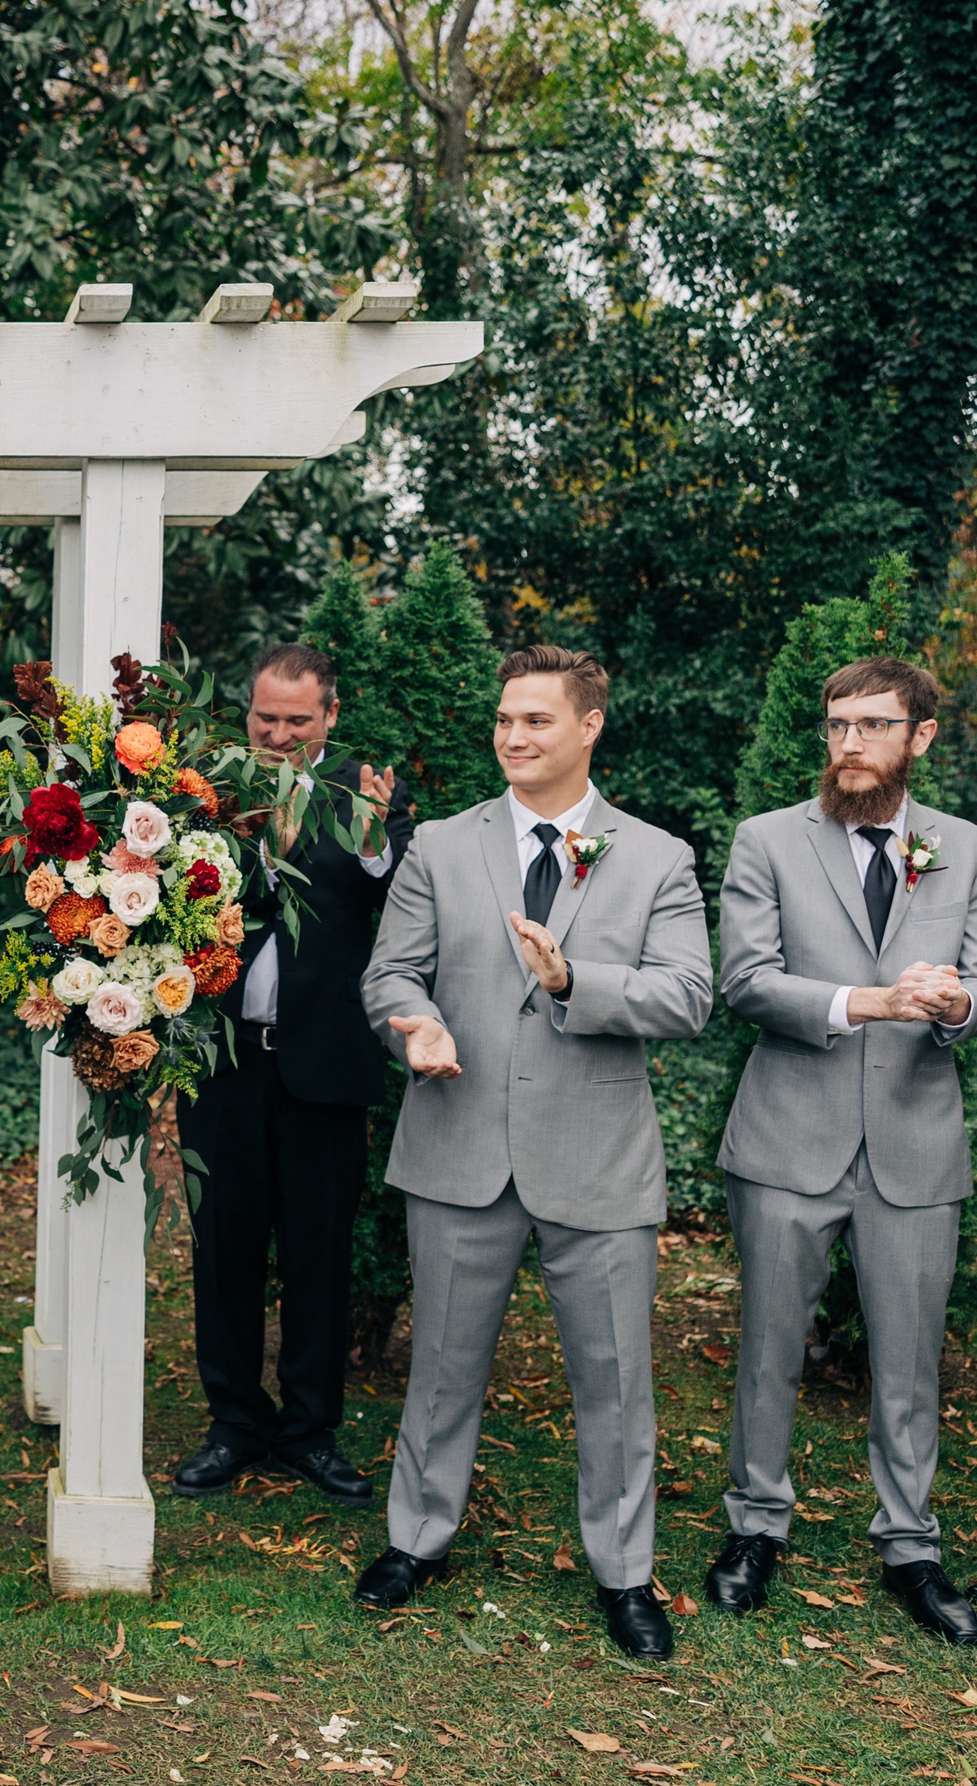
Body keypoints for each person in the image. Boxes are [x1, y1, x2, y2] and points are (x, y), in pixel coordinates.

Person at [356, 644, 712, 1661]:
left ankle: (623, 1571)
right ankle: (414, 1538)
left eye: (536, 721)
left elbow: (687, 997)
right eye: (504, 719)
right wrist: (414, 1025)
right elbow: (393, 973)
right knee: (439, 1368)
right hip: (457, 1142)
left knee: (613, 1378)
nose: (513, 736)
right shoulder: (437, 842)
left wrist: (571, 984)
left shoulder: (656, 857)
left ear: (588, 725)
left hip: (596, 1159)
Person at [706, 657, 977, 1642]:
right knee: (768, 1349)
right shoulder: (767, 840)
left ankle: (910, 1543)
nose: (848, 744)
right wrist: (868, 1000)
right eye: (835, 726)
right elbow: (744, 980)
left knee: (908, 1362)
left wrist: (956, 1001)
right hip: (788, 1135)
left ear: (921, 736)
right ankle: (753, 1526)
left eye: (870, 725)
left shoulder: (963, 847)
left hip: (913, 1141)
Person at [171, 642, 411, 1509]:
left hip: (326, 1063)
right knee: (223, 1251)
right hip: (224, 1065)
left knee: (318, 1255)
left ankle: (310, 1430)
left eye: (296, 721)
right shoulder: (202, 788)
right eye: (264, 718)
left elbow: (393, 895)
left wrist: (377, 835)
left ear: (331, 716)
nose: (277, 734)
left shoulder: (373, 791)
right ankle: (234, 1421)